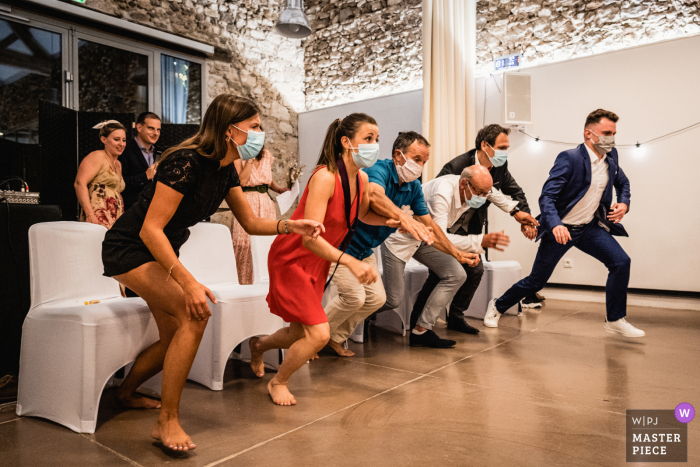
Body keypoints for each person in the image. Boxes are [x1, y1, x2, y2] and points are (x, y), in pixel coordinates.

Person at [101, 94, 324, 451]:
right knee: (195, 313)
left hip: (159, 251)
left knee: (173, 332)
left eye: (260, 127)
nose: (260, 134)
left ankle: (125, 393)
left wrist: (290, 225)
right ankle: (167, 422)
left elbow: (250, 222)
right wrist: (188, 283)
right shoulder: (186, 162)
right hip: (129, 248)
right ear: (228, 130)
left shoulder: (225, 171)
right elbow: (149, 230)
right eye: (253, 127)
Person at [249, 114, 416, 405]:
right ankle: (279, 382)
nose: (374, 145)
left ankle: (259, 345)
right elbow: (309, 237)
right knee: (319, 334)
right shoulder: (325, 176)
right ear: (346, 142)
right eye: (368, 138)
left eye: (376, 139)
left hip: (318, 260)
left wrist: (390, 222)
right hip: (293, 258)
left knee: (297, 332)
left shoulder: (361, 178)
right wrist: (351, 262)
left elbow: (361, 215)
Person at [484, 109, 644, 338]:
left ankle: (615, 319)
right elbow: (547, 196)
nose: (612, 138)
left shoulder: (611, 156)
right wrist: (556, 224)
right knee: (536, 281)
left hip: (589, 228)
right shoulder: (570, 158)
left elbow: (623, 182)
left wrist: (624, 203)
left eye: (614, 133)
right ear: (589, 133)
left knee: (621, 262)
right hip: (561, 230)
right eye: (606, 133)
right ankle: (498, 305)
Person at [323, 131, 476, 356]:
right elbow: (374, 195)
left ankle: (333, 338)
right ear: (398, 155)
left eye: (424, 162)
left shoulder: (413, 187)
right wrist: (404, 218)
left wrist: (456, 253)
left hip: (365, 250)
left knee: (377, 299)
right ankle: (314, 337)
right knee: (355, 297)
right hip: (341, 246)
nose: (421, 166)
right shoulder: (379, 170)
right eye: (416, 159)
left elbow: (430, 226)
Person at [415, 124, 541, 336]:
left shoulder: (499, 166)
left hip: (470, 226)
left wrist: (520, 215)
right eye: (501, 147)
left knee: (475, 270)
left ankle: (455, 316)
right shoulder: (456, 167)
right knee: (441, 273)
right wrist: (470, 243)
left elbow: (507, 192)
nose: (505, 152)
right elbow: (437, 208)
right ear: (485, 145)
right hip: (441, 227)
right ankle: (417, 321)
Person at [383, 165, 510, 347]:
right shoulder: (442, 193)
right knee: (392, 299)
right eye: (480, 193)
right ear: (464, 184)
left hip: (424, 239)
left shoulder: (469, 189)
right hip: (400, 238)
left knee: (456, 274)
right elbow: (438, 235)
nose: (483, 197)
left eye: (486, 193)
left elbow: (435, 236)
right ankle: (362, 315)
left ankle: (421, 330)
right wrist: (478, 242)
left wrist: (515, 211)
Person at [231, 145, 290, 284]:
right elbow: (241, 182)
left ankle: (265, 281)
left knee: (266, 243)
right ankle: (244, 282)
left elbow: (268, 180)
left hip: (265, 202)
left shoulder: (266, 155)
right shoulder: (238, 156)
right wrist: (249, 159)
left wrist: (279, 189)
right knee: (245, 244)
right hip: (247, 201)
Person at [74, 120, 126, 229]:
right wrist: (90, 214)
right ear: (104, 139)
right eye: (117, 139)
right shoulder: (97, 156)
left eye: (124, 140)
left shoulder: (118, 164)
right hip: (97, 216)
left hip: (114, 217)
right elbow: (79, 183)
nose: (121, 144)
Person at [120, 112, 161, 211]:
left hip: (155, 210)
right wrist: (145, 176)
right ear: (139, 127)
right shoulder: (124, 150)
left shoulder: (160, 152)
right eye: (151, 128)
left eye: (158, 130)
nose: (155, 133)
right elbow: (118, 184)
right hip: (131, 211)